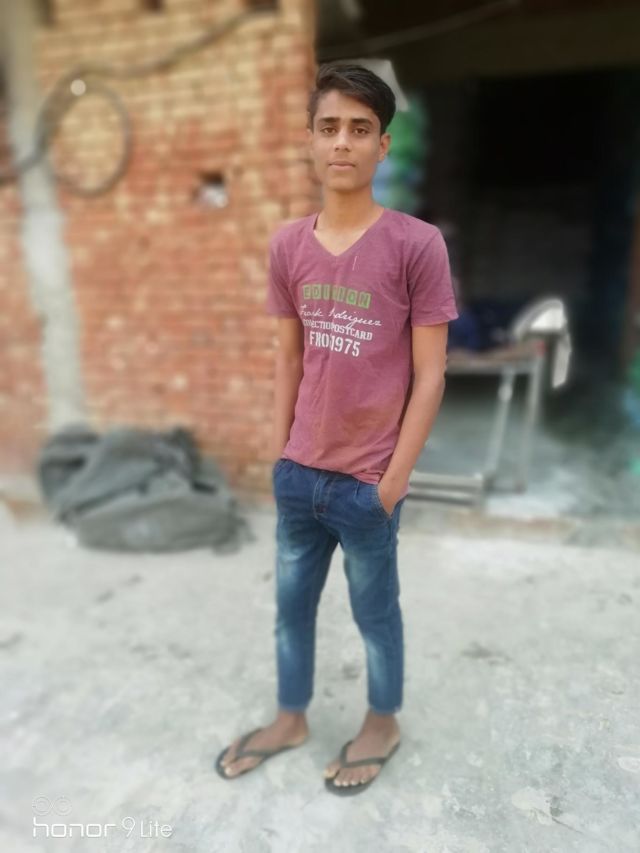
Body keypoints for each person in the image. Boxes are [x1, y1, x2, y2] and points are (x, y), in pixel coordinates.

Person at [216, 63, 459, 795]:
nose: (342, 142)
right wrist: (280, 454)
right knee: (290, 609)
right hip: (300, 473)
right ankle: (290, 718)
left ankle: (382, 722)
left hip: (366, 482)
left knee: (374, 612)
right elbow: (289, 354)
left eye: (360, 128)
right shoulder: (288, 245)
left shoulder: (417, 245)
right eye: (329, 128)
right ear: (310, 142)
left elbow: (431, 375)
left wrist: (392, 482)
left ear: (383, 145)